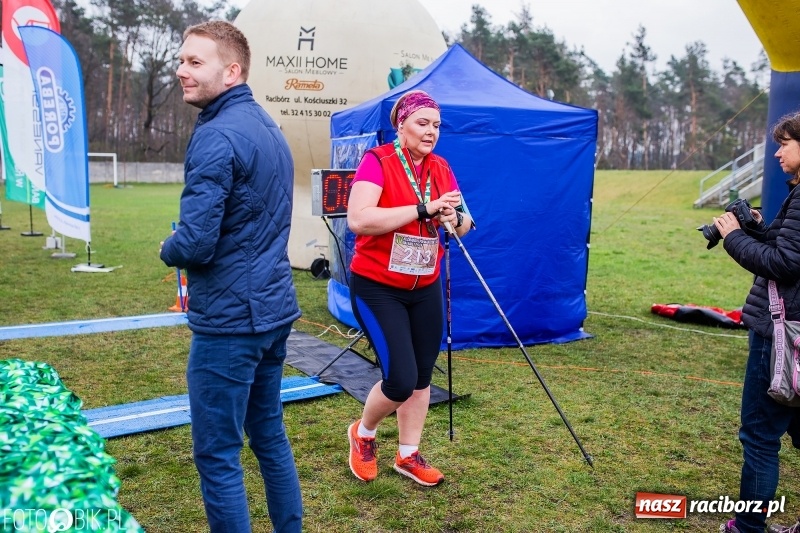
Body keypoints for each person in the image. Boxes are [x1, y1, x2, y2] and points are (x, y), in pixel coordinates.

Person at [160, 20, 302, 533]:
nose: (182, 71)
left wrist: (166, 248)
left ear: (232, 70)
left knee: (218, 452)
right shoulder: (265, 125)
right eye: (182, 61)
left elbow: (195, 241)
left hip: (232, 320)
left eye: (195, 62)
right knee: (268, 435)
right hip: (271, 310)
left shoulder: (218, 135)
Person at [345, 89, 473, 487]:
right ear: (401, 124)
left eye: (436, 125)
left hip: (425, 285)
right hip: (378, 286)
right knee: (399, 379)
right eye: (423, 123)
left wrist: (451, 216)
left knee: (421, 378)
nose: (431, 131)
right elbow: (359, 220)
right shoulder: (378, 160)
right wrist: (422, 208)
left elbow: (466, 226)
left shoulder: (441, 167)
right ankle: (363, 434)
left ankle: (408, 454)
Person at [716, 111, 800, 533]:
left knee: (760, 436)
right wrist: (757, 228)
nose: (777, 151)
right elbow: (791, 247)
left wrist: (733, 236)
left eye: (785, 142)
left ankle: (747, 528)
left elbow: (785, 264)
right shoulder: (796, 194)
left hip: (784, 337)